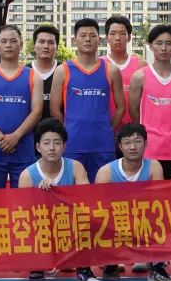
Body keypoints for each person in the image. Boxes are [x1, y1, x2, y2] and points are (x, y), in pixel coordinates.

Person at [18, 119, 97, 281]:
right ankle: (38, 263)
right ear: (38, 147)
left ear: (64, 146)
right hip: (43, 225)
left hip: (69, 223)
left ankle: (83, 269)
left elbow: (87, 201)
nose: (52, 148)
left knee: (89, 218)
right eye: (46, 143)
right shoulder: (27, 175)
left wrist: (58, 191)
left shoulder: (76, 167)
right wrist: (41, 195)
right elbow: (23, 214)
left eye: (57, 143)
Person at [93, 124, 171, 281]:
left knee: (160, 218)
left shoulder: (154, 166)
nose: (133, 147)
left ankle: (156, 268)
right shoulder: (106, 171)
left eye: (137, 141)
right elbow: (98, 208)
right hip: (116, 221)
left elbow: (158, 202)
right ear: (120, 146)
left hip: (144, 220)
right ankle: (111, 264)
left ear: (146, 143)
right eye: (127, 142)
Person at [50, 18, 124, 181]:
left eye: (92, 35)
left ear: (100, 39)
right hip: (73, 144)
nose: (88, 39)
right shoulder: (62, 70)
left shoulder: (111, 70)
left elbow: (121, 107)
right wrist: (68, 129)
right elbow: (54, 109)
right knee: (74, 189)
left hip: (103, 144)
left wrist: (108, 129)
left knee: (103, 190)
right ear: (74, 39)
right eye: (83, 35)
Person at [0, 25, 44, 188]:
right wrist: (1, 138)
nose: (8, 45)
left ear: (21, 45)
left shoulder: (33, 76)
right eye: (4, 41)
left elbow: (37, 111)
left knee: (24, 199)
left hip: (23, 150)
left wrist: (16, 136)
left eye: (13, 41)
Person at [129, 24, 171, 180]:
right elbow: (133, 110)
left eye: (168, 43)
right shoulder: (139, 76)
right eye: (159, 43)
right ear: (150, 46)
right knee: (150, 192)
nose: (163, 48)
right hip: (150, 149)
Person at [104, 15, 143, 128]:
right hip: (107, 129)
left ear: (129, 37)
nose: (117, 38)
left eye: (122, 33)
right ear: (107, 38)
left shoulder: (141, 65)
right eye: (113, 33)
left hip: (134, 131)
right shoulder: (99, 65)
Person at [29, 24, 60, 122]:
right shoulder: (25, 72)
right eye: (41, 42)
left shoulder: (64, 71)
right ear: (34, 46)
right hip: (29, 130)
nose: (46, 46)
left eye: (51, 42)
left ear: (57, 47)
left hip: (58, 129)